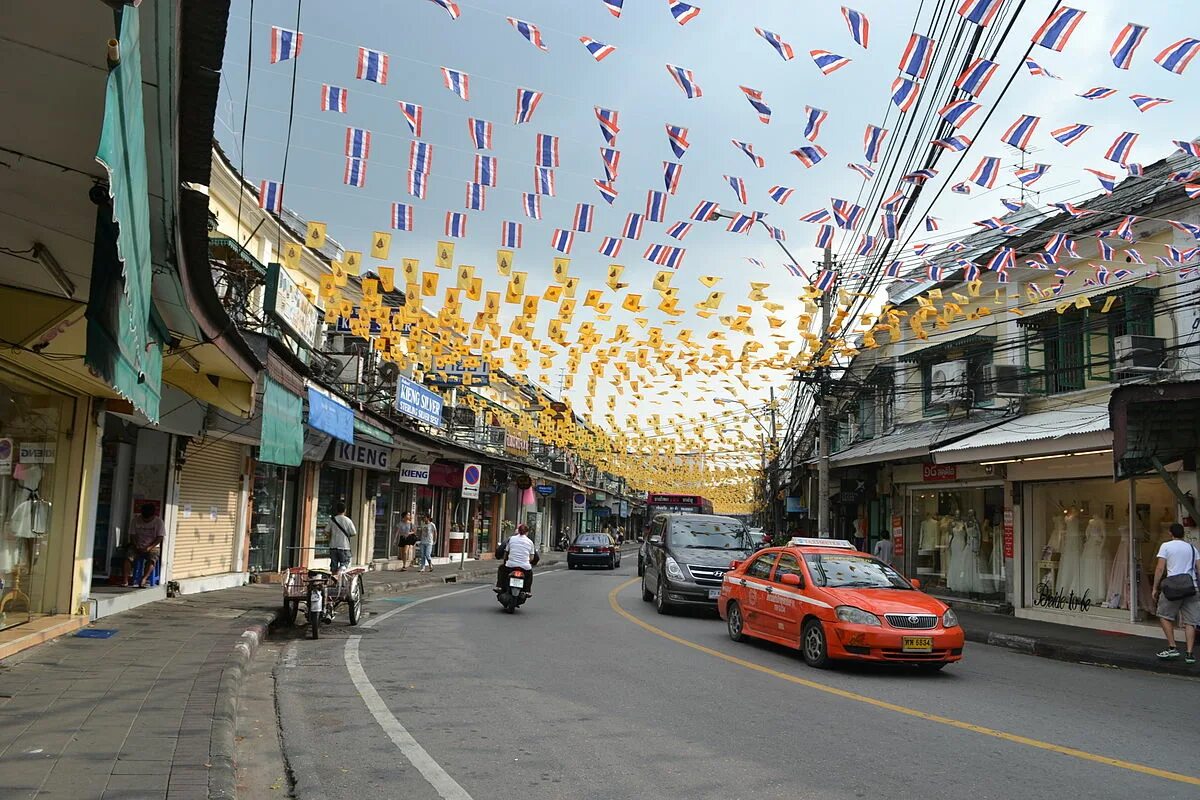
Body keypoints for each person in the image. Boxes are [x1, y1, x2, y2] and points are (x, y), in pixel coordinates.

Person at [1151, 522, 1200, 663]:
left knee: (1164, 615)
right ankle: (1189, 654)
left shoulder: (1166, 546)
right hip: (1191, 587)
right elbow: (1199, 568)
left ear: (1170, 533)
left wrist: (1155, 587)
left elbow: (1160, 569)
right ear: (1183, 534)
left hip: (1172, 588)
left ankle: (1172, 647)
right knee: (1190, 621)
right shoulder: (1192, 548)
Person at [124, 503, 165, 588]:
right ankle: (125, 580)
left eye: (148, 519)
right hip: (137, 545)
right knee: (128, 557)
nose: (146, 521)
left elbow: (160, 537)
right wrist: (136, 545)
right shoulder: (135, 520)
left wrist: (150, 547)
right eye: (144, 518)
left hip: (152, 547)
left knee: (152, 559)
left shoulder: (159, 522)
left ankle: (144, 578)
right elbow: (132, 535)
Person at [494, 523, 538, 595]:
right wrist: (527, 562)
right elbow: (532, 557)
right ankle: (527, 591)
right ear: (527, 532)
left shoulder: (511, 539)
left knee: (501, 569)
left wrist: (505, 561)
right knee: (529, 575)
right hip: (525, 566)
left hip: (511, 565)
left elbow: (506, 553)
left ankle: (499, 586)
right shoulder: (530, 542)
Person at [328, 503, 356, 577]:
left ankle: (334, 581)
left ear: (337, 510)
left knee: (333, 566)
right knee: (345, 562)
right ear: (345, 510)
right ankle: (341, 572)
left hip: (333, 546)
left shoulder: (332, 520)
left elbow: (326, 531)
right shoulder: (348, 520)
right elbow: (353, 533)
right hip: (344, 546)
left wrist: (331, 537)